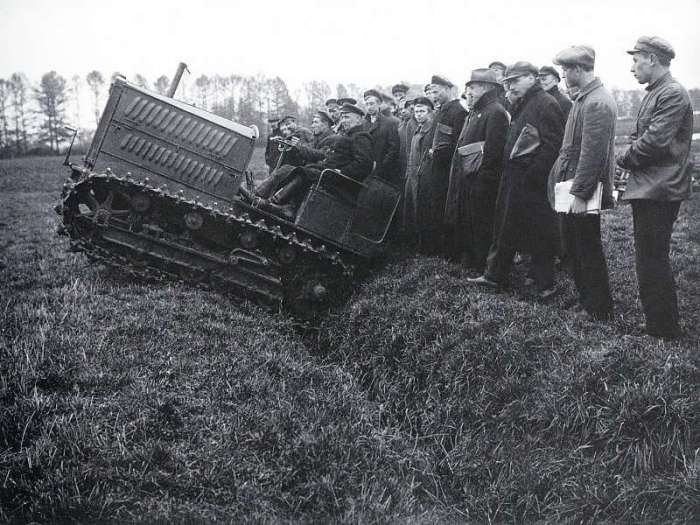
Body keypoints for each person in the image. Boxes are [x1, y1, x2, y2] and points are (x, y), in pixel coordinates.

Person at [616, 36, 693, 338]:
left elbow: (653, 143)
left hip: (659, 190)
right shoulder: (657, 92)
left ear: (651, 58)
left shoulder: (671, 93)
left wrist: (624, 156)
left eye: (636, 60)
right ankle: (660, 323)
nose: (632, 66)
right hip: (652, 187)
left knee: (652, 258)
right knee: (649, 257)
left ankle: (663, 328)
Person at [468, 62, 564, 298]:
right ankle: (494, 276)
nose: (510, 86)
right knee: (504, 227)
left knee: (540, 232)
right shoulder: (525, 103)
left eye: (515, 81)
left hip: (532, 182)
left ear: (533, 78)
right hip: (514, 178)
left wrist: (533, 176)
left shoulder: (546, 104)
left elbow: (552, 146)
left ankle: (545, 285)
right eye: (508, 82)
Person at [548, 45, 616, 321]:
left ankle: (598, 308)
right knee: (575, 245)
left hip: (582, 185)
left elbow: (592, 155)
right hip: (573, 181)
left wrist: (579, 194)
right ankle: (586, 299)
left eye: (565, 69)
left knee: (587, 246)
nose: (563, 74)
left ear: (578, 69)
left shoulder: (597, 102)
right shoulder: (584, 98)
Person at [242, 104, 373, 221]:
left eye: (347, 117)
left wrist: (342, 172)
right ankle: (261, 195)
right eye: (343, 117)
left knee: (304, 172)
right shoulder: (348, 136)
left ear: (359, 119)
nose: (344, 121)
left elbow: (364, 164)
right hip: (331, 173)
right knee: (293, 168)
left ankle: (279, 204)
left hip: (342, 181)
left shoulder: (361, 137)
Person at [444, 68, 509, 271]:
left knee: (482, 224)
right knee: (469, 223)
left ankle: (482, 266)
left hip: (481, 182)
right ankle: (471, 261)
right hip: (469, 179)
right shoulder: (476, 111)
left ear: (487, 88)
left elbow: (493, 153)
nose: (469, 92)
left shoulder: (495, 112)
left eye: (473, 87)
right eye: (468, 88)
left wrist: (484, 183)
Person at [425, 75, 468, 256]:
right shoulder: (441, 111)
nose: (434, 95)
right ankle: (439, 248)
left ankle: (450, 251)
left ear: (449, 89)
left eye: (437, 91)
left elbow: (458, 143)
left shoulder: (458, 111)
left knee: (447, 209)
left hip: (448, 171)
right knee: (436, 207)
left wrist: (438, 153)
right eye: (432, 92)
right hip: (437, 169)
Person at [402, 97, 437, 250]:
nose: (419, 115)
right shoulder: (417, 128)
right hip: (413, 174)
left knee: (424, 210)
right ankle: (415, 242)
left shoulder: (432, 130)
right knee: (412, 207)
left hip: (425, 176)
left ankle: (426, 245)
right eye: (416, 112)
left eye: (422, 111)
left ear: (430, 113)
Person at [363, 89, 400, 182]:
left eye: (371, 104)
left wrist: (381, 167)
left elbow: (393, 149)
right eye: (367, 104)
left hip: (382, 172)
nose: (369, 107)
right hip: (364, 170)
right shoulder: (363, 123)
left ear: (379, 104)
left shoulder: (389, 123)